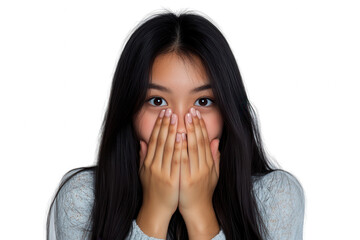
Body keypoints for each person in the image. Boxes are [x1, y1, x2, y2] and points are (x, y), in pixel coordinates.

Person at [46, 10, 305, 240]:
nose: (180, 127)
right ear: (129, 111)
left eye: (203, 101)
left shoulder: (275, 198)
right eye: (157, 101)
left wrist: (199, 214)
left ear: (227, 112)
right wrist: (154, 212)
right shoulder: (83, 197)